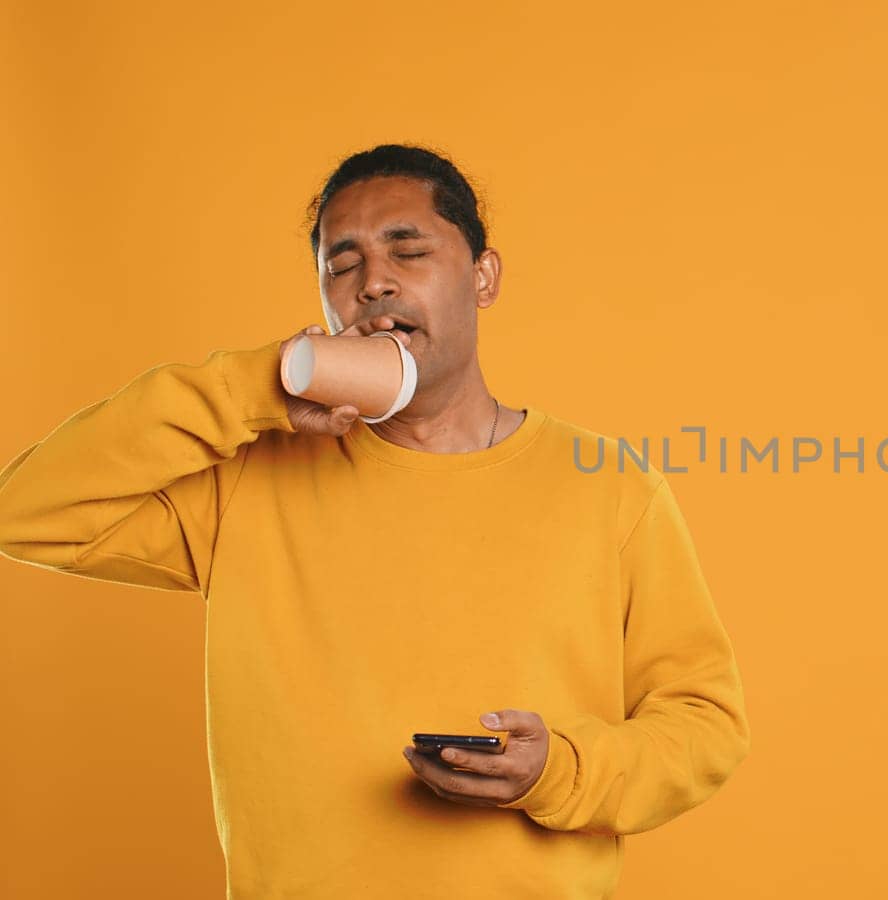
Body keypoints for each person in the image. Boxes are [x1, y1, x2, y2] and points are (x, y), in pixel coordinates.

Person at [0, 143, 751, 899]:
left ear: (483, 277)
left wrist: (557, 770)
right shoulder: (249, 482)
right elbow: (25, 510)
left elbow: (703, 725)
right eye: (342, 263)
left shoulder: (610, 488)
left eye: (409, 249)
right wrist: (256, 385)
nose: (373, 283)